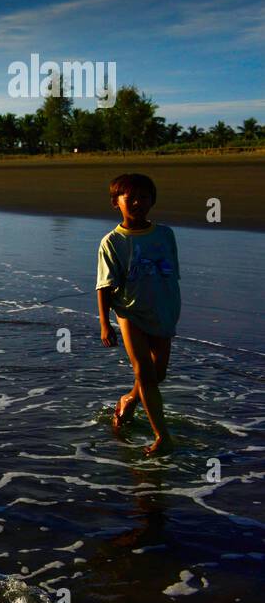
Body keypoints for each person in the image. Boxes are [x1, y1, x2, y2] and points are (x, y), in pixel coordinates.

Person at [96, 172, 180, 455]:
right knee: (143, 371)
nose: (137, 202)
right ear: (115, 203)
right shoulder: (112, 242)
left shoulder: (165, 234)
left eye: (143, 197)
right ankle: (162, 437)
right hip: (129, 312)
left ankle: (129, 400)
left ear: (152, 201)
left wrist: (172, 310)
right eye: (129, 197)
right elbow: (104, 287)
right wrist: (105, 325)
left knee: (158, 374)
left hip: (163, 311)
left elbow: (171, 277)